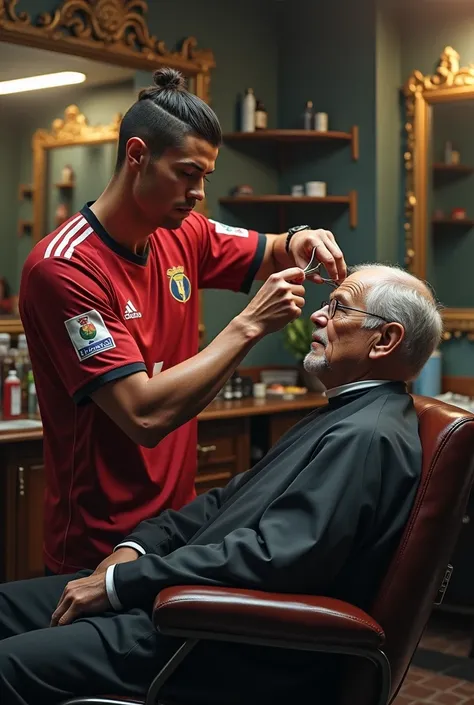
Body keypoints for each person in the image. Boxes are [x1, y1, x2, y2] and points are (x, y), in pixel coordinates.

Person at [0, 263, 443, 705]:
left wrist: (124, 584)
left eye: (338, 307)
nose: (318, 315)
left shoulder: (366, 435)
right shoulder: (343, 414)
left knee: (9, 664)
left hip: (201, 640)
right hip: (169, 599)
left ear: (385, 340)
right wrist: (135, 549)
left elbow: (273, 559)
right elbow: (222, 502)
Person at [19, 67, 347, 575]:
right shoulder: (64, 267)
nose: (198, 192)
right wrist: (247, 325)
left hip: (171, 528)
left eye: (205, 178)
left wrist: (302, 236)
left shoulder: (182, 231)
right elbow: (142, 416)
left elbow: (274, 250)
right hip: (97, 541)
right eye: (187, 173)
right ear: (137, 156)